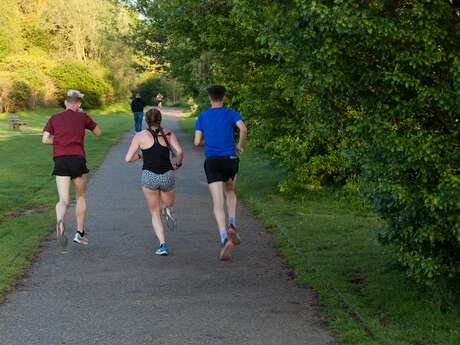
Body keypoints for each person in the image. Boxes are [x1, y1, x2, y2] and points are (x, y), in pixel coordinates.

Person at [42, 90, 102, 247]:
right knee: (80, 196)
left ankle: (60, 223)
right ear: (78, 103)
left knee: (63, 200)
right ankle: (79, 233)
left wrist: (61, 141)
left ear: (66, 103)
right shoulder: (83, 117)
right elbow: (98, 132)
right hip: (77, 159)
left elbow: (45, 139)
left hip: (60, 160)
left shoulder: (54, 118)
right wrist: (83, 119)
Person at [194, 85, 247, 261]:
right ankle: (232, 223)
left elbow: (196, 142)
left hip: (213, 161)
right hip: (230, 160)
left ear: (210, 98)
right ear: (223, 97)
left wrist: (206, 143)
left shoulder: (203, 116)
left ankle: (224, 237)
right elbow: (243, 129)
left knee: (217, 203)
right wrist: (239, 145)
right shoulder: (231, 113)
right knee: (230, 192)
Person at [125, 108, 183, 256]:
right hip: (167, 175)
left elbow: (128, 159)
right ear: (160, 119)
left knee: (154, 212)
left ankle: (162, 245)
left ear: (146, 120)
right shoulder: (168, 133)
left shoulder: (139, 136)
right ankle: (167, 209)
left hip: (149, 176)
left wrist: (141, 157)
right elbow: (180, 152)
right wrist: (177, 164)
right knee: (168, 203)